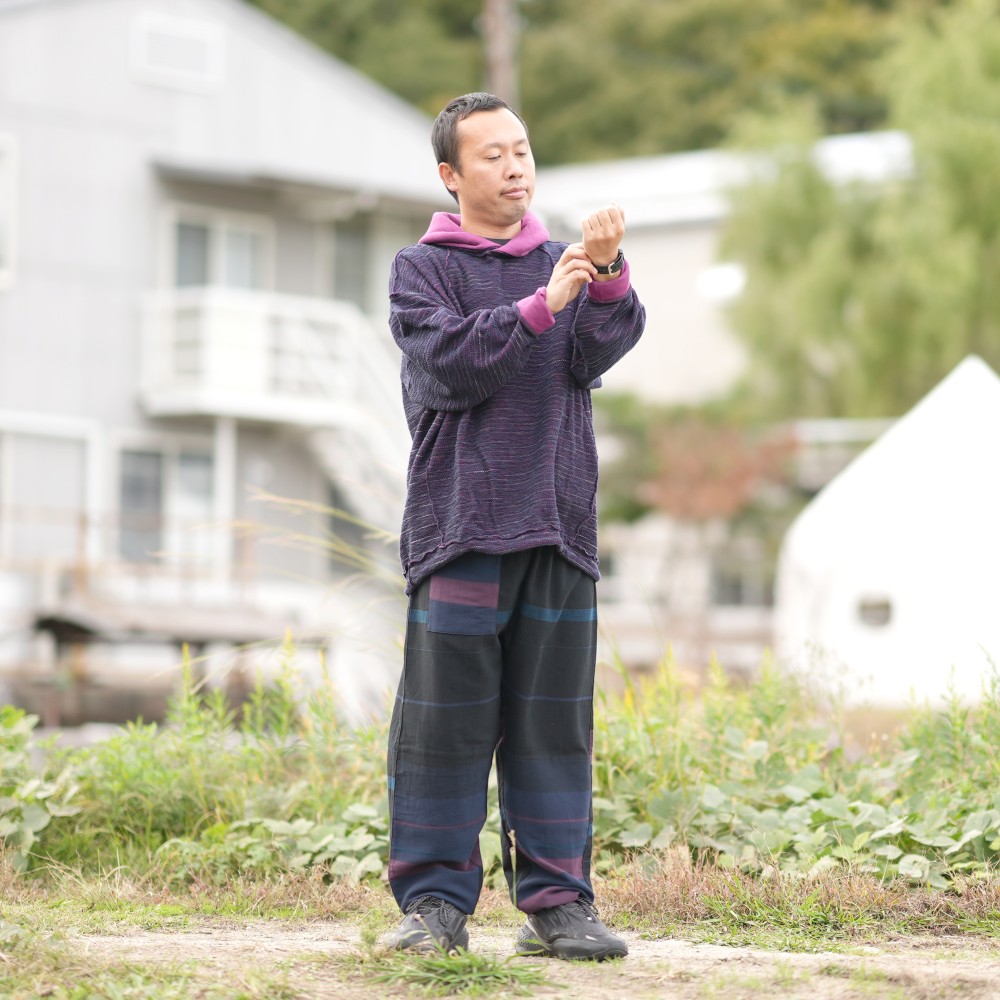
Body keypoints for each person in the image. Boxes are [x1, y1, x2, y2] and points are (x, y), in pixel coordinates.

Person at [384, 92, 645, 962]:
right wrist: (543, 302)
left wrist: (606, 274)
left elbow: (598, 349)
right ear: (451, 175)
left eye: (522, 150)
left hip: (558, 526)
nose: (514, 166)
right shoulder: (421, 269)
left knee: (553, 732)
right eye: (491, 155)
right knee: (441, 733)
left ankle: (560, 906)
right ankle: (433, 908)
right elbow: (453, 364)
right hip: (460, 527)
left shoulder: (561, 261)